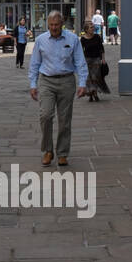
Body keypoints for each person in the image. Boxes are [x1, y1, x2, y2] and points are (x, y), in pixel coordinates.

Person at [28, 11, 88, 167]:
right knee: (45, 115)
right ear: (48, 24)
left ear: (62, 24)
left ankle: (62, 153)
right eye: (51, 25)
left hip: (67, 81)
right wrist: (33, 84)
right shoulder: (41, 40)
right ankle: (48, 150)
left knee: (65, 120)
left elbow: (80, 62)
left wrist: (83, 83)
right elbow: (34, 63)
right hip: (46, 81)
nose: (54, 28)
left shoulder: (73, 39)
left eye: (56, 24)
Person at [80, 19, 109, 101]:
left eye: (93, 27)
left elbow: (101, 48)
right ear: (86, 29)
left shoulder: (97, 37)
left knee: (95, 77)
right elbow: (81, 51)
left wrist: (103, 59)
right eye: (91, 27)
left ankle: (95, 92)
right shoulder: (83, 39)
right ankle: (91, 94)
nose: (93, 29)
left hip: (96, 59)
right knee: (88, 78)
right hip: (87, 60)